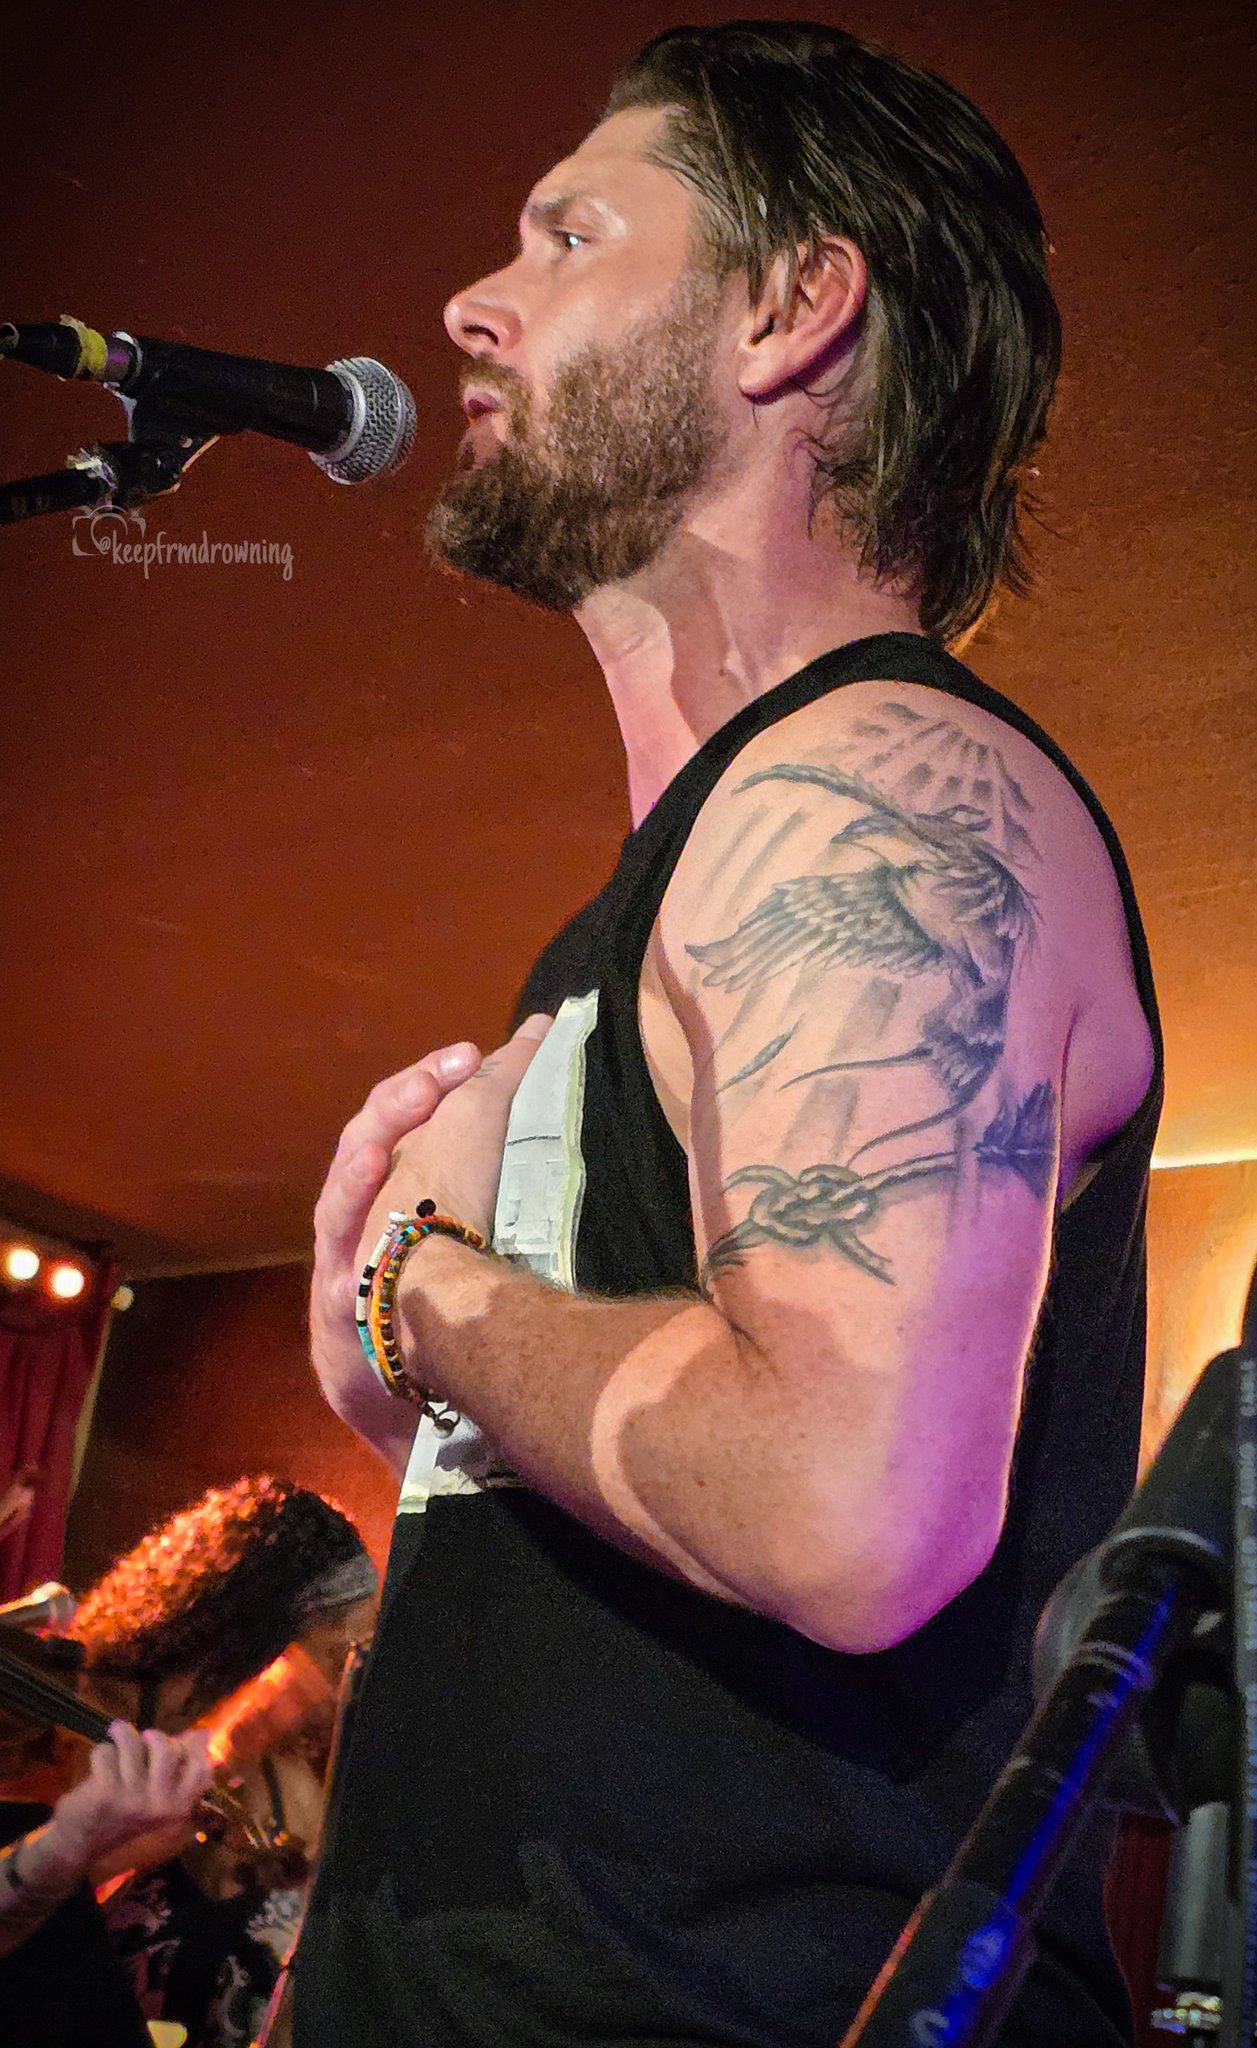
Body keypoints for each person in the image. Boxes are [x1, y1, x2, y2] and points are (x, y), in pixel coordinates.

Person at [299, 22, 1160, 2047]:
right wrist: (399, 1387)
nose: (470, 302)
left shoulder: (871, 785)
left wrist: (425, 1290)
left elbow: (844, 1509)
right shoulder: (672, 883)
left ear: (791, 308)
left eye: (566, 235)